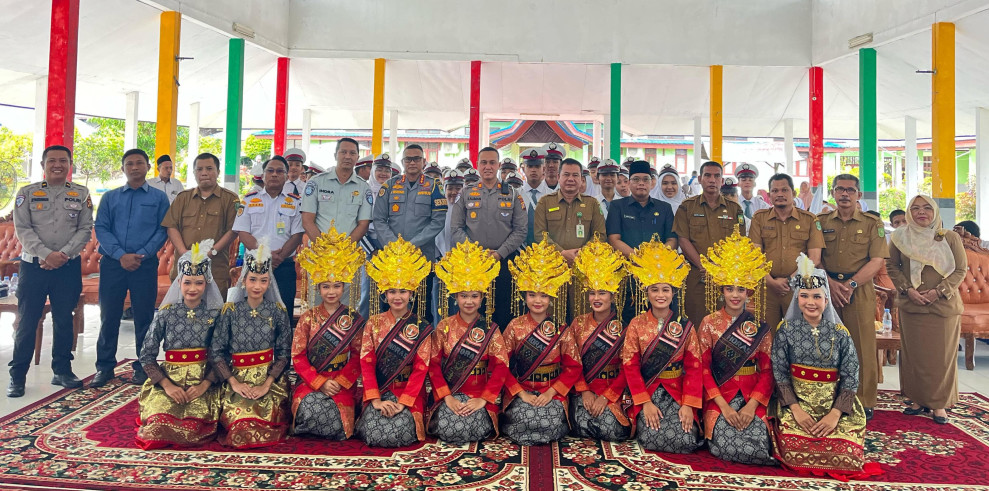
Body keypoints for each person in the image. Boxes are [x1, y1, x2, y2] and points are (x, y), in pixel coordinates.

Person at [771, 254, 880, 479]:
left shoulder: (840, 334)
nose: (810, 302)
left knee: (846, 454)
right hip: (796, 404)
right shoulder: (786, 330)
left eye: (816, 296)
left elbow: (851, 375)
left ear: (827, 300)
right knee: (793, 451)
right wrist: (796, 410)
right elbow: (779, 373)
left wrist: (835, 414)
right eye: (804, 296)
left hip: (834, 405)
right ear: (796, 299)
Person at [8, 145, 93, 397]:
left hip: (67, 267)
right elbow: (23, 229)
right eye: (52, 160)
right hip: (34, 267)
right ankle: (17, 376)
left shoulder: (81, 193)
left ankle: (62, 370)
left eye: (63, 160)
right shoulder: (27, 193)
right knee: (27, 320)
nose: (57, 165)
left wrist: (62, 255)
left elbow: (85, 228)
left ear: (69, 164)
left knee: (64, 319)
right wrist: (46, 255)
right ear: (43, 165)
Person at [90, 149, 171, 388]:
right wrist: (120, 255)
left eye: (139, 163)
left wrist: (142, 254)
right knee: (109, 316)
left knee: (144, 317)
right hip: (113, 265)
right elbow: (101, 228)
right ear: (123, 168)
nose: (134, 167)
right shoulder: (110, 197)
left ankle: (144, 367)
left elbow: (162, 230)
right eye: (129, 164)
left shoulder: (159, 198)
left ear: (148, 167)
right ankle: (104, 367)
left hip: (144, 265)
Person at [697, 226, 776, 465]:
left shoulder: (759, 326)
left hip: (752, 395)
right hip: (720, 395)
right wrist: (723, 406)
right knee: (726, 446)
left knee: (758, 446)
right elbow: (703, 370)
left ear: (748, 293)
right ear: (721, 290)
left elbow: (768, 371)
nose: (735, 295)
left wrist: (752, 406)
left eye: (741, 289)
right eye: (729, 288)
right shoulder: (708, 323)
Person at [135, 240, 224, 449]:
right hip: (169, 380)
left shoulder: (215, 315)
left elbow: (223, 355)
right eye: (187, 282)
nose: (192, 288)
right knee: (157, 427)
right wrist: (167, 386)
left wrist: (204, 385)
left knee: (193, 429)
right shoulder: (166, 313)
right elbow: (146, 355)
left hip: (202, 381)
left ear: (207, 284)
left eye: (199, 283)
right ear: (179, 282)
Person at [887, 195, 968, 424]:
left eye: (926, 208)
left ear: (934, 212)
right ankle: (917, 399)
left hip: (943, 306)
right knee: (915, 357)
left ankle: (939, 404)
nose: (921, 212)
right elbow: (891, 265)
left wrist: (938, 292)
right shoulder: (900, 237)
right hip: (912, 305)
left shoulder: (949, 237)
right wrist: (907, 290)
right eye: (915, 208)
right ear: (909, 213)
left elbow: (960, 269)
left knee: (941, 358)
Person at [622, 238, 703, 453]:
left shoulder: (684, 325)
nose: (660, 295)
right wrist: (645, 403)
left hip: (677, 391)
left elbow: (694, 368)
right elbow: (630, 366)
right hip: (647, 390)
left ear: (673, 293)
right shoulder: (636, 324)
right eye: (655, 290)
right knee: (652, 438)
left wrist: (688, 405)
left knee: (685, 439)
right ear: (646, 292)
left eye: (665, 290)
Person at [817, 174, 888, 418]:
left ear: (859, 195)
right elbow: (815, 257)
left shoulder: (872, 224)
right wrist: (831, 284)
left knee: (861, 346)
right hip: (826, 290)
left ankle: (863, 400)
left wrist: (850, 285)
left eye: (850, 190)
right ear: (833, 193)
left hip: (859, 289)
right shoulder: (820, 221)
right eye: (839, 189)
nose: (844, 194)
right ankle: (828, 397)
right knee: (826, 345)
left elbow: (877, 260)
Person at [500, 237, 581, 445]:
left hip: (552, 391)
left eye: (544, 295)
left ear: (551, 298)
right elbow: (501, 366)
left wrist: (552, 392)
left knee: (549, 421)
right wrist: (521, 394)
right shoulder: (514, 326)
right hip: (522, 389)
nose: (538, 301)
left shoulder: (561, 329)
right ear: (524, 296)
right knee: (523, 418)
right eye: (532, 295)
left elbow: (573, 367)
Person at [427, 241, 510, 443]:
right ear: (456, 297)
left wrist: (483, 399)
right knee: (449, 428)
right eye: (464, 296)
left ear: (482, 298)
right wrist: (447, 397)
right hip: (450, 393)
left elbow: (501, 367)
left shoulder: (491, 329)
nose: (469, 301)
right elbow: (433, 366)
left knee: (473, 427)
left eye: (474, 296)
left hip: (479, 396)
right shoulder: (444, 326)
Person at [211, 243, 292, 448]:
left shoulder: (277, 311)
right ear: (243, 280)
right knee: (240, 423)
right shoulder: (230, 311)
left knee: (266, 417)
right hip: (237, 378)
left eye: (263, 280)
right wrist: (234, 383)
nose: (257, 286)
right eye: (252, 279)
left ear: (269, 282)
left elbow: (284, 353)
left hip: (269, 380)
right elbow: (217, 351)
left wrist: (267, 384)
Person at [356, 238, 434, 447]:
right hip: (379, 391)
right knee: (374, 432)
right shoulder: (373, 324)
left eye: (403, 291)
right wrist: (376, 400)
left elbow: (421, 368)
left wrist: (403, 402)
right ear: (384, 294)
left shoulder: (422, 326)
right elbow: (366, 364)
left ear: (411, 293)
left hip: (409, 393)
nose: (397, 297)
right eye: (392, 291)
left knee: (398, 431)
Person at [291, 227, 367, 439]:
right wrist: (319, 382)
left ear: (343, 287)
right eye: (326, 286)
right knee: (309, 407)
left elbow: (358, 356)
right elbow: (298, 356)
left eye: (336, 286)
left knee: (335, 415)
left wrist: (340, 381)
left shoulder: (354, 319)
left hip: (340, 381)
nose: (331, 292)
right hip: (311, 381)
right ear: (318, 288)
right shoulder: (308, 318)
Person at [450, 147, 528, 330]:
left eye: (492, 162)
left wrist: (499, 253)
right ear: (477, 165)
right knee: (473, 311)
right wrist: (476, 253)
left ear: (499, 165)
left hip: (504, 261)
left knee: (504, 311)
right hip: (473, 262)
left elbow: (520, 230)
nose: (488, 167)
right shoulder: (466, 193)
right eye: (484, 162)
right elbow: (456, 228)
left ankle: (501, 346)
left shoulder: (513, 194)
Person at [372, 144, 447, 323]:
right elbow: (379, 219)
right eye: (408, 159)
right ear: (402, 161)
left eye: (416, 159)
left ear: (424, 161)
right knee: (390, 305)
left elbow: (438, 221)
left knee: (421, 307)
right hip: (393, 258)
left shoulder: (434, 186)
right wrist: (394, 245)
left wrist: (412, 245)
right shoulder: (389, 185)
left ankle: (421, 340)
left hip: (421, 258)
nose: (412, 162)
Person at [568, 237, 631, 441]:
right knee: (580, 425)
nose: (596, 298)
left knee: (611, 429)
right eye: (592, 293)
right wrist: (584, 391)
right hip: (585, 389)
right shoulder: (578, 323)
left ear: (613, 296)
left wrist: (607, 397)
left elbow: (627, 368)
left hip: (612, 390)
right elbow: (571, 362)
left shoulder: (624, 328)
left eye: (602, 293)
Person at [672, 161, 746, 327]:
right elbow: (683, 239)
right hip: (696, 276)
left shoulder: (735, 209)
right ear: (700, 179)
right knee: (695, 323)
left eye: (716, 176)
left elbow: (739, 242)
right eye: (707, 175)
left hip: (725, 277)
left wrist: (720, 268)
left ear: (722, 180)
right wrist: (703, 266)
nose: (712, 180)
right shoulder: (687, 207)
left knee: (725, 324)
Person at [748, 173, 824, 330]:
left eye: (784, 190)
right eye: (775, 191)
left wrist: (790, 280)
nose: (780, 194)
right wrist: (771, 282)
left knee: (798, 334)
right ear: (769, 195)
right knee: (766, 335)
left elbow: (815, 258)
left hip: (798, 288)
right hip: (767, 287)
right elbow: (754, 256)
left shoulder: (809, 220)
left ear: (794, 193)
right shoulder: (759, 219)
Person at [233, 155, 305, 316]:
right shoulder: (249, 200)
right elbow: (242, 232)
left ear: (286, 176)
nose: (274, 174)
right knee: (252, 314)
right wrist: (265, 256)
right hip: (254, 266)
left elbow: (297, 235)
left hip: (283, 266)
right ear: (263, 175)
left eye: (280, 171)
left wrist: (277, 258)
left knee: (283, 313)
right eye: (270, 171)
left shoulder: (295, 202)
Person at [162, 152, 239, 299]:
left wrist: (211, 252)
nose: (204, 173)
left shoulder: (230, 199)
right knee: (181, 310)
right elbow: (171, 226)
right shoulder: (183, 198)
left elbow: (233, 230)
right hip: (184, 268)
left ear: (218, 172)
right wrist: (184, 252)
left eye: (209, 169)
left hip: (215, 268)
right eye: (199, 169)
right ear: (194, 173)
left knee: (214, 311)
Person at [301, 137, 372, 242]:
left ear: (357, 157)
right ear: (335, 155)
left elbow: (363, 224)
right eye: (343, 152)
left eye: (352, 153)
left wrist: (344, 248)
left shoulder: (364, 187)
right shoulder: (316, 182)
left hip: (348, 250)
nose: (347, 156)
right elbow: (307, 220)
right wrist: (324, 246)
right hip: (319, 250)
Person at [521, 149, 548, 244]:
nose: (533, 170)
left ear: (543, 169)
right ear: (523, 169)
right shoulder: (515, 195)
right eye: (529, 166)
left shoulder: (552, 195)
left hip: (546, 248)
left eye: (537, 166)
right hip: (519, 248)